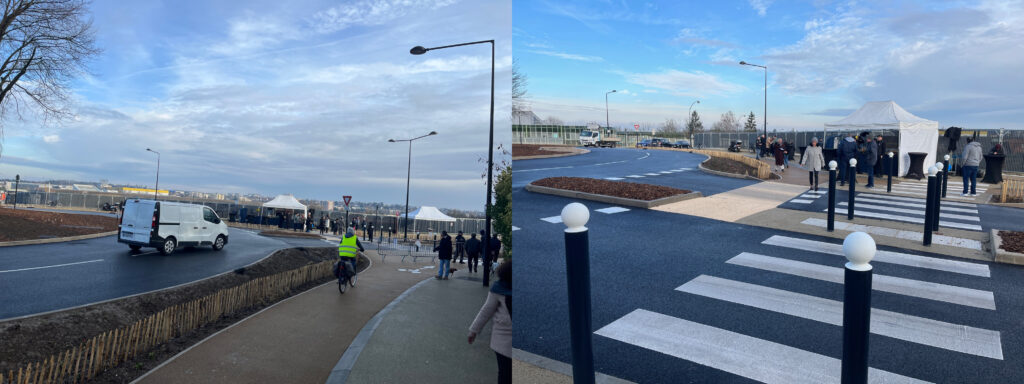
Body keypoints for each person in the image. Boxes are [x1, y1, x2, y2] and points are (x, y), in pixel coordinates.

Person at [468, 261, 512, 384]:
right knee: (505, 373)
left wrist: (473, 331)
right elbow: (486, 310)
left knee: (505, 373)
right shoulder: (498, 289)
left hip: (502, 339)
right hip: (504, 341)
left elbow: (486, 311)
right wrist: (474, 330)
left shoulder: (498, 287)